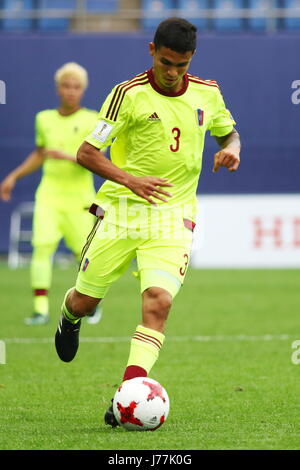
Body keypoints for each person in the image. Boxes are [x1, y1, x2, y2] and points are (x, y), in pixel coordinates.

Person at [54, 18, 241, 426]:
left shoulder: (208, 94)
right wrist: (130, 180)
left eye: (183, 64)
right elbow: (87, 153)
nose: (173, 72)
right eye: (167, 62)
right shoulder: (127, 94)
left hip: (174, 216)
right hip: (121, 213)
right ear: (152, 51)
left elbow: (228, 134)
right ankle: (68, 317)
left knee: (159, 302)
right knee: (85, 302)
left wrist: (233, 148)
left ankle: (126, 396)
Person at [0, 62, 102, 326]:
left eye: (76, 87)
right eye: (66, 86)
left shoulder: (93, 119)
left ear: (83, 90)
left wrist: (68, 156)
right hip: (49, 195)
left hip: (80, 198)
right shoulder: (44, 119)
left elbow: (98, 159)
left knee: (85, 254)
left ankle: (90, 304)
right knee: (41, 249)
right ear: (58, 89)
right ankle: (40, 309)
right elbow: (39, 154)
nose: (71, 91)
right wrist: (13, 176)